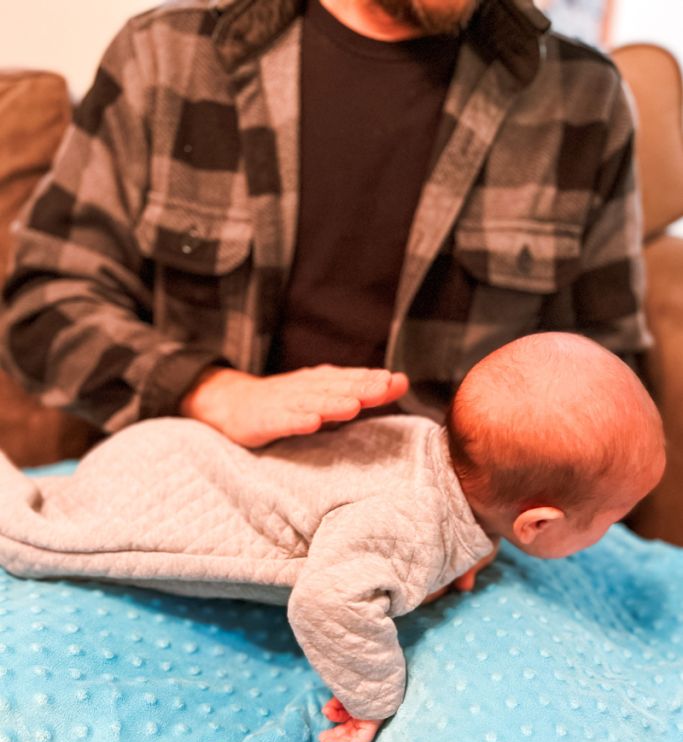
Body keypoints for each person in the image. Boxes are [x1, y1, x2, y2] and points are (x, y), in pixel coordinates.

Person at [0, 0, 647, 448]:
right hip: (203, 481)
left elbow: (606, 371)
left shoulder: (584, 98)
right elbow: (42, 303)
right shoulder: (164, 58)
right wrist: (210, 392)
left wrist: (488, 505)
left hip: (450, 523)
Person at [0, 334, 665, 742]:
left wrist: (475, 548)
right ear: (536, 525)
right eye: (611, 516)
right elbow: (325, 602)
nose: (611, 531)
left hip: (178, 446)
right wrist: (376, 695)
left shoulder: (427, 445)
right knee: (34, 536)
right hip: (163, 490)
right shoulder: (409, 524)